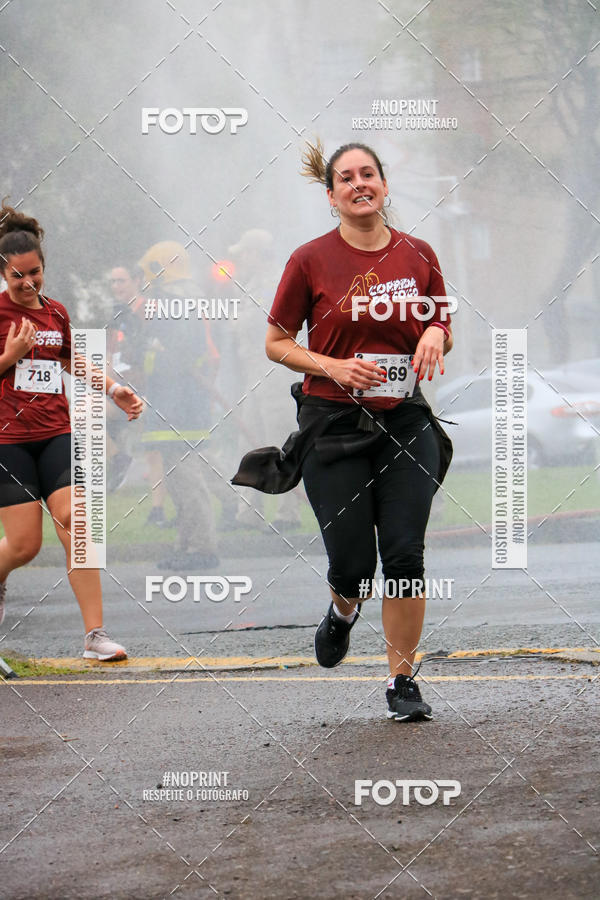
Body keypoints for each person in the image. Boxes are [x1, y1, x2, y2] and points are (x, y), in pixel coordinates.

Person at [259, 140, 454, 721]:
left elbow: (442, 319)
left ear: (385, 186)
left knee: (404, 555)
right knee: (352, 565)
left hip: (405, 422)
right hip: (334, 425)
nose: (359, 183)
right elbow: (275, 342)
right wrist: (335, 366)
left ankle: (402, 681)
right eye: (347, 178)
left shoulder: (418, 254)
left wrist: (435, 335)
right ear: (332, 196)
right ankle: (342, 611)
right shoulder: (309, 260)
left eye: (369, 174)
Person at [0, 205, 143, 658]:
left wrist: (114, 389)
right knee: (24, 546)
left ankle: (95, 636)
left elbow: (70, 361)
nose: (27, 283)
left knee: (77, 525)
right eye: (17, 276)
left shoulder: (55, 312)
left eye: (35, 273)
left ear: (45, 267)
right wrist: (10, 356)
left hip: (57, 433)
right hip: (9, 442)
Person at [137, 240, 220, 568]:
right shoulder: (190, 297)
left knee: (186, 477)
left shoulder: (170, 299)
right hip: (178, 401)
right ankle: (187, 545)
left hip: (177, 404)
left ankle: (202, 548)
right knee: (177, 477)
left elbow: (179, 354)